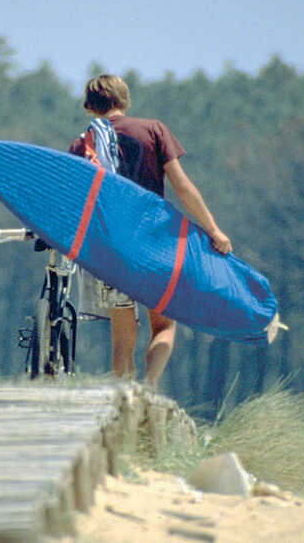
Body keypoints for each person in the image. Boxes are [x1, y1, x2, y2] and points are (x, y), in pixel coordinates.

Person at [69, 74, 232, 392]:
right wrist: (213, 230)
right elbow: (182, 188)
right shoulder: (153, 130)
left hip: (112, 250)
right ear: (123, 98)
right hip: (154, 245)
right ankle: (151, 386)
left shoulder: (83, 143)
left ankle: (123, 398)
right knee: (163, 325)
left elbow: (79, 203)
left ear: (90, 105)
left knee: (122, 336)